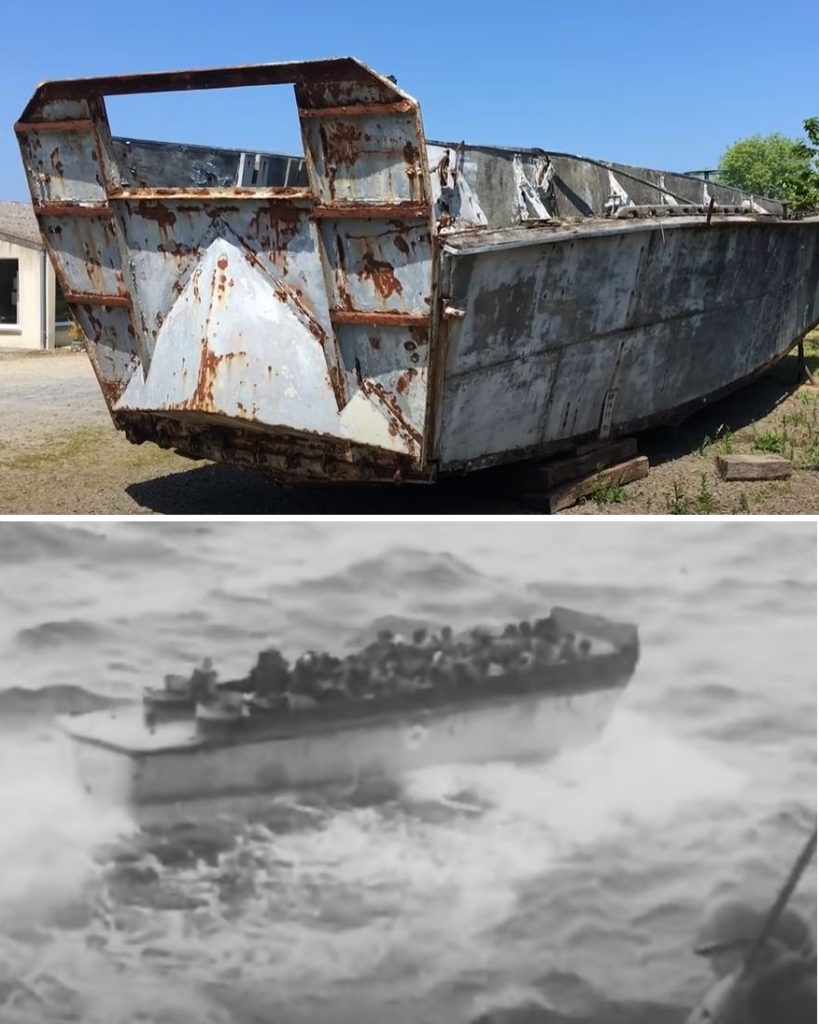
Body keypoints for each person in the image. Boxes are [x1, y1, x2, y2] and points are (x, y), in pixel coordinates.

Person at [687, 897, 817, 1024]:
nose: (712, 966)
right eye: (711, 956)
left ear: (748, 946)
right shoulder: (736, 992)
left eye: (720, 953)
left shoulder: (786, 993)